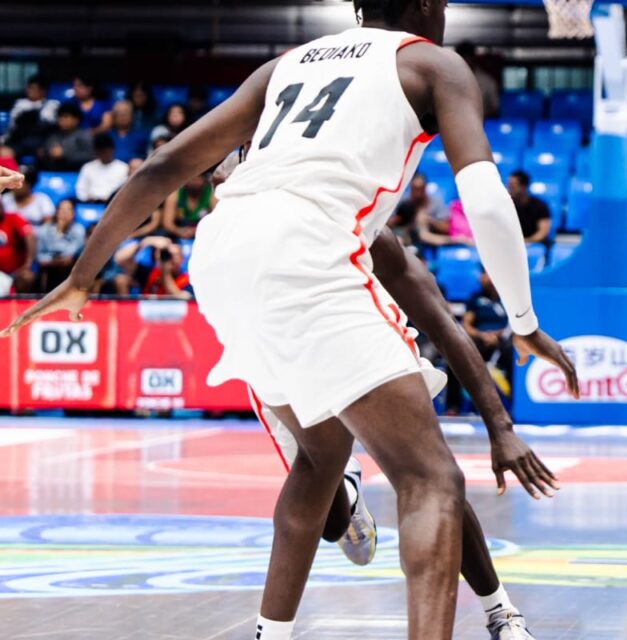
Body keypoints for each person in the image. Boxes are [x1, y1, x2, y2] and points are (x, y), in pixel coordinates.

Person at [1, 2, 580, 638]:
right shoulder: (433, 64)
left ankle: (277, 621)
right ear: (426, 7)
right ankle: (475, 602)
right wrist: (522, 319)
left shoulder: (283, 68)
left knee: (321, 459)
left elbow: (164, 165)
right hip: (309, 255)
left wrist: (83, 277)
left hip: (221, 254)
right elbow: (488, 205)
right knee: (430, 476)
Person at [253, 227, 567, 640]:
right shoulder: (245, 212)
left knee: (431, 475)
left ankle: (501, 613)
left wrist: (499, 425)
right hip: (279, 347)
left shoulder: (365, 229)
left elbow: (444, 325)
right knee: (329, 521)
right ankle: (344, 480)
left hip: (360, 338)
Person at [446, 270, 514, 413]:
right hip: (480, 340)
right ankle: (453, 406)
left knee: (514, 353)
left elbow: (515, 323)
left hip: (504, 339)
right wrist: (482, 335)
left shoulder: (509, 298)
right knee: (455, 356)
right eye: (485, 274)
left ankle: (514, 404)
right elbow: (466, 325)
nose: (487, 278)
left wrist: (498, 334)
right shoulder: (474, 299)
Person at [34, 199, 86, 292]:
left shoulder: (79, 230)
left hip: (70, 267)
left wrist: (62, 232)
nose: (65, 213)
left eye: (68, 210)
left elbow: (74, 252)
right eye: (62, 210)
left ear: (73, 214)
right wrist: (59, 231)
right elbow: (40, 257)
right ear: (56, 212)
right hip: (49, 267)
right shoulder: (44, 230)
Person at [7, 75, 60, 160]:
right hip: (21, 139)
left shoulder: (52, 105)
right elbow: (13, 125)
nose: (32, 91)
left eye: (36, 89)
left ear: (43, 91)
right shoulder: (19, 104)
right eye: (30, 88)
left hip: (42, 140)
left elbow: (51, 122)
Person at [396, 173, 453, 247]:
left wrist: (430, 220)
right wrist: (401, 219)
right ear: (411, 188)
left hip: (427, 238)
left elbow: (446, 227)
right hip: (404, 236)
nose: (418, 193)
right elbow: (389, 224)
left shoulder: (436, 202)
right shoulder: (402, 202)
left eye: (421, 189)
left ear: (425, 187)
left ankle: (455, 240)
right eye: (415, 189)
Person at [76, 133, 130, 203]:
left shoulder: (124, 168)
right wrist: (88, 198)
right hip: (92, 205)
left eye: (106, 151)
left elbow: (125, 191)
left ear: (112, 149)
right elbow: (81, 191)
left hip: (114, 205)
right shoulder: (87, 167)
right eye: (101, 152)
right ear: (96, 152)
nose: (104, 154)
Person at [40, 104, 94, 171]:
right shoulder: (53, 137)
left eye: (66, 116)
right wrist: (45, 154)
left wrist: (65, 154)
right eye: (60, 117)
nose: (62, 119)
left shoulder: (84, 136)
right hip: (54, 174)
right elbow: (46, 153)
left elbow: (91, 156)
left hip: (77, 173)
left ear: (76, 120)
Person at [162, 172, 216, 239]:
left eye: (198, 178)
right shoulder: (174, 195)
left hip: (205, 234)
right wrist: (179, 231)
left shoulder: (212, 195)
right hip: (179, 236)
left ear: (204, 180)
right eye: (192, 178)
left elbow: (217, 221)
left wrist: (200, 231)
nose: (194, 182)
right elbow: (167, 224)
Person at [455, 41, 500, 118]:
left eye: (467, 58)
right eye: (461, 59)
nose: (465, 62)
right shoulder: (447, 79)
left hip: (481, 125)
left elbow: (495, 110)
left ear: (473, 59)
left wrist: (480, 118)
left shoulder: (487, 82)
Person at [507, 170, 550, 244]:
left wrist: (526, 242)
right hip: (511, 244)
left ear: (524, 187)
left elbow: (543, 233)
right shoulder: (506, 206)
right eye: (509, 186)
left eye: (513, 187)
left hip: (533, 244)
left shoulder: (540, 206)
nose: (509, 190)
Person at [0, 205, 36, 294]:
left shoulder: (12, 218)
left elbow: (29, 235)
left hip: (14, 272)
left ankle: (20, 305)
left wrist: (28, 262)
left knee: (27, 277)